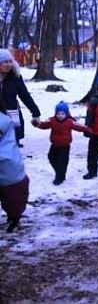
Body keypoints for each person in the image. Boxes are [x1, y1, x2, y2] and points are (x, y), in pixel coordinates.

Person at [32, 101, 90, 185]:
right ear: (56, 113)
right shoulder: (52, 120)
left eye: (62, 114)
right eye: (58, 114)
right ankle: (59, 172)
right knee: (51, 157)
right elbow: (44, 125)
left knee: (63, 162)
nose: (60, 116)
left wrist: (88, 129)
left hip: (65, 146)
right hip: (54, 144)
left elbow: (79, 127)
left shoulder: (70, 121)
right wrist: (36, 124)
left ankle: (60, 177)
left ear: (66, 114)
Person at [0, 49, 41, 147]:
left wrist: (35, 113)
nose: (8, 65)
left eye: (10, 62)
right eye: (5, 62)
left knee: (12, 149)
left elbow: (25, 96)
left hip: (11, 117)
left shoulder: (16, 77)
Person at [0, 98, 30, 232]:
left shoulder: (2, 121)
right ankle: (13, 216)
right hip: (10, 168)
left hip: (7, 168)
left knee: (13, 197)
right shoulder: (5, 118)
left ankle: (14, 217)